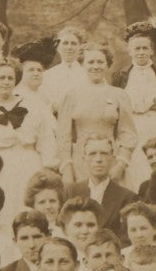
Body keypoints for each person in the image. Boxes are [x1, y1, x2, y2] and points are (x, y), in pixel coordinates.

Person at [0, 58, 60, 219]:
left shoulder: (33, 107)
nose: (6, 82)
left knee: (30, 210)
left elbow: (47, 139)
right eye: (1, 78)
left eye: (10, 78)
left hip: (30, 162)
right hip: (0, 168)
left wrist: (47, 168)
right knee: (5, 210)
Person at [54, 43, 138, 184]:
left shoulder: (119, 95)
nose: (96, 66)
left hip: (111, 160)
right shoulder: (71, 95)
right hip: (80, 163)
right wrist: (67, 169)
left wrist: (120, 164)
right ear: (82, 65)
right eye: (91, 62)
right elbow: (63, 136)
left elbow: (128, 133)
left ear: (107, 65)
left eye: (100, 62)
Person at [114, 20, 156, 189]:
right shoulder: (121, 76)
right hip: (131, 127)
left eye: (144, 48)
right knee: (135, 166)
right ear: (129, 51)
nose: (141, 52)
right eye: (137, 48)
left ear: (151, 50)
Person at [65, 134, 139, 240]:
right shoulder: (71, 192)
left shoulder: (127, 197)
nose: (98, 159)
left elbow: (126, 238)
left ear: (113, 159)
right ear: (84, 159)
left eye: (104, 153)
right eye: (92, 154)